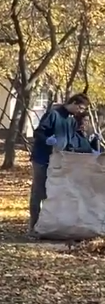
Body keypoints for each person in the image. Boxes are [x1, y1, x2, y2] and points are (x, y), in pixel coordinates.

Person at [30, 93, 97, 235]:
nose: (80, 111)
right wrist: (48, 140)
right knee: (39, 191)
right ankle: (33, 226)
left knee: (54, 192)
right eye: (80, 107)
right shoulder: (53, 114)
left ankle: (49, 225)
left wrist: (88, 149)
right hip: (42, 159)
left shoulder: (71, 121)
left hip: (59, 161)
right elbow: (39, 132)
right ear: (73, 102)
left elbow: (73, 140)